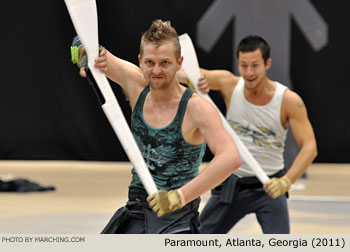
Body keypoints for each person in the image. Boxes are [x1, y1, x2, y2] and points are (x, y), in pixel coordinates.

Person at [70, 20, 241, 233]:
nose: (156, 70)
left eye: (165, 63)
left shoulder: (196, 108)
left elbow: (231, 157)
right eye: (150, 62)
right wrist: (81, 47)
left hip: (177, 217)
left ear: (179, 63)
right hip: (137, 209)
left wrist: (179, 196)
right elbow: (94, 51)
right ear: (140, 61)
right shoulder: (136, 84)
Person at [179, 35, 317, 234]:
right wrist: (192, 84)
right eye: (244, 66)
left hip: (269, 188)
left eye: (255, 65)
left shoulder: (288, 100)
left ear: (267, 63)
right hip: (231, 185)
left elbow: (310, 147)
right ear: (238, 64)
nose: (249, 72)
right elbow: (179, 74)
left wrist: (286, 181)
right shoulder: (230, 85)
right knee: (196, 240)